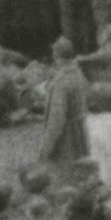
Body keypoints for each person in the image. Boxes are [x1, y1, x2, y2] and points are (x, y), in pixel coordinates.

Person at [36, 38, 90, 169]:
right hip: (81, 133)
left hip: (67, 139)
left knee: (64, 175)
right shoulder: (79, 74)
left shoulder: (62, 82)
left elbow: (57, 119)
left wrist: (44, 150)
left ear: (55, 55)